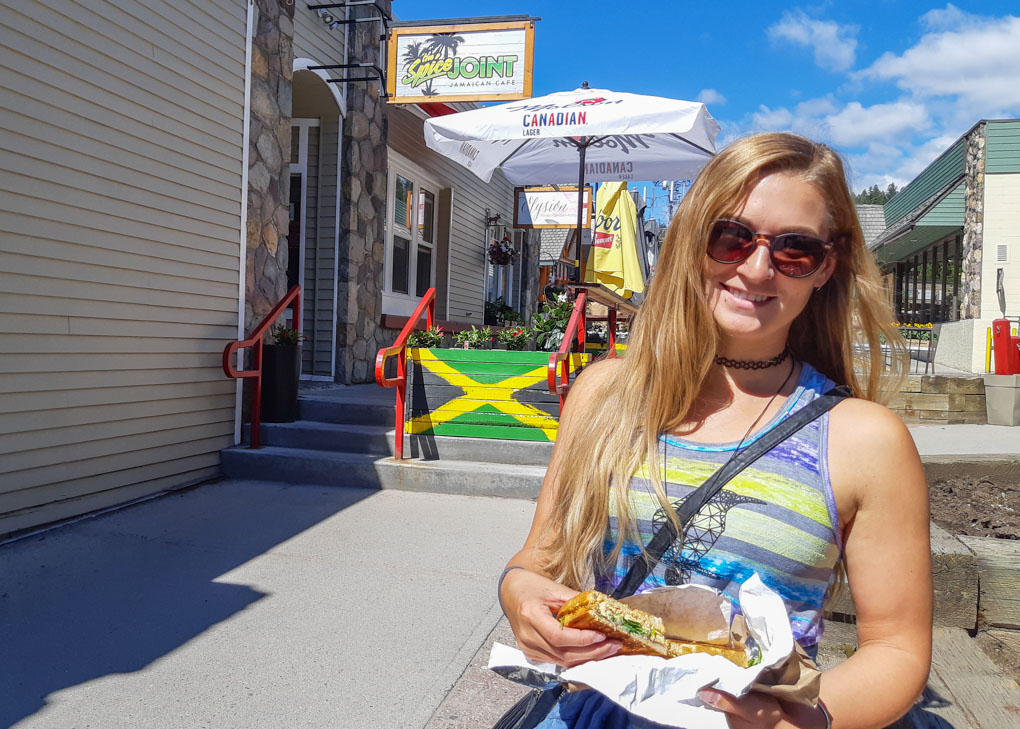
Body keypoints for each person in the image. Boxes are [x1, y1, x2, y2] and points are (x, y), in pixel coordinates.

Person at [498, 132, 933, 729]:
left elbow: (898, 650)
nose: (755, 268)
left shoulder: (864, 439)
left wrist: (795, 723)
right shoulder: (605, 394)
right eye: (731, 236)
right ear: (690, 240)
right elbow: (538, 560)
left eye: (794, 250)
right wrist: (519, 594)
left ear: (825, 267)